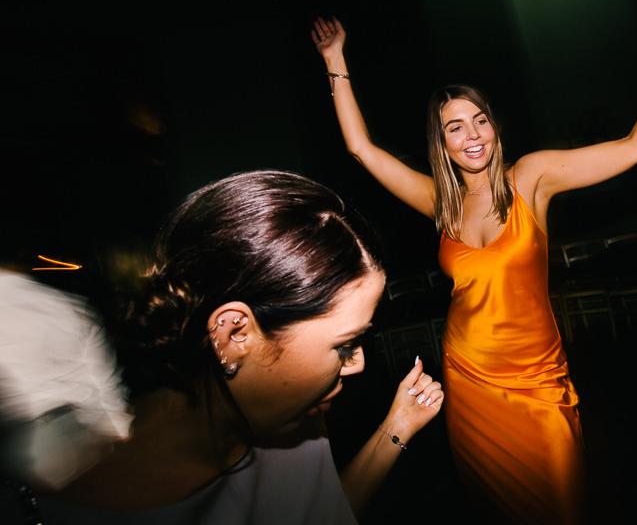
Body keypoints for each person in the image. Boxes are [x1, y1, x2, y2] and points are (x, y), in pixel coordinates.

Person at [312, 0, 637, 524]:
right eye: (456, 127)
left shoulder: (531, 178)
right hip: (469, 382)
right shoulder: (440, 202)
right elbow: (362, 148)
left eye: (480, 120)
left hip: (538, 383)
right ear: (443, 143)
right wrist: (335, 58)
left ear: (494, 126)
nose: (471, 135)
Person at [0, 170, 443, 524]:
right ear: (234, 335)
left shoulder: (297, 425)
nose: (358, 363)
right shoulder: (61, 493)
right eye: (346, 344)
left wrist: (398, 424)